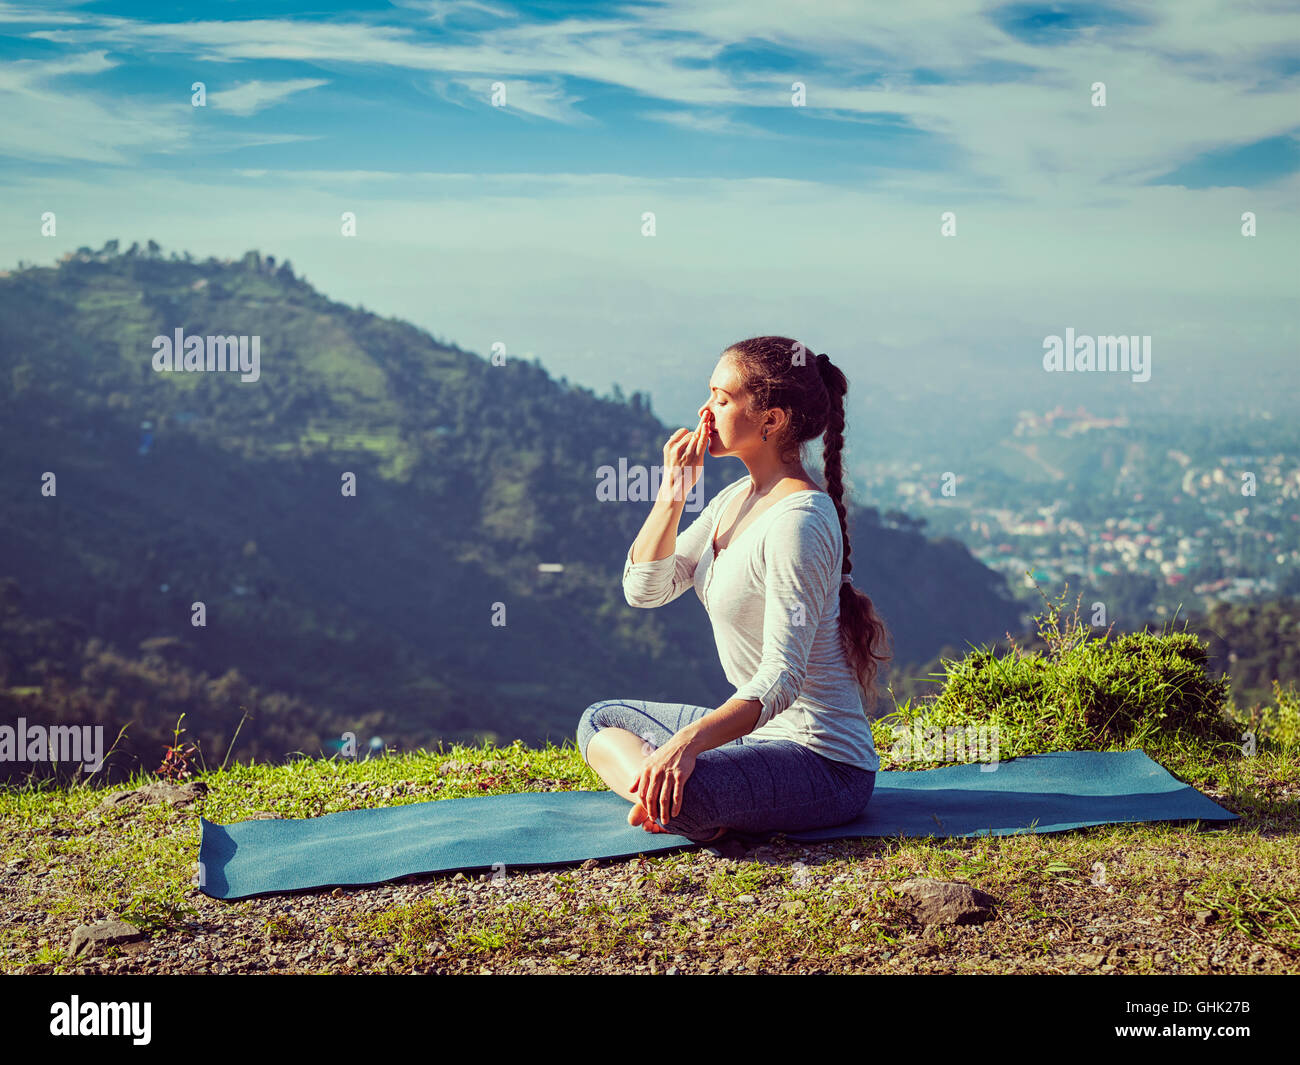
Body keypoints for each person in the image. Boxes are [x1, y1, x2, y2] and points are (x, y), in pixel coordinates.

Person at [577, 336, 892, 843]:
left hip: (824, 765)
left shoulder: (799, 523)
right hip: (760, 739)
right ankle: (672, 801)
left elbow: (781, 679)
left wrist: (688, 744)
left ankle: (681, 803)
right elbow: (645, 589)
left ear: (771, 421)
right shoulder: (735, 499)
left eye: (722, 399)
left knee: (689, 785)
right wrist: (673, 494)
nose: (706, 411)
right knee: (601, 720)